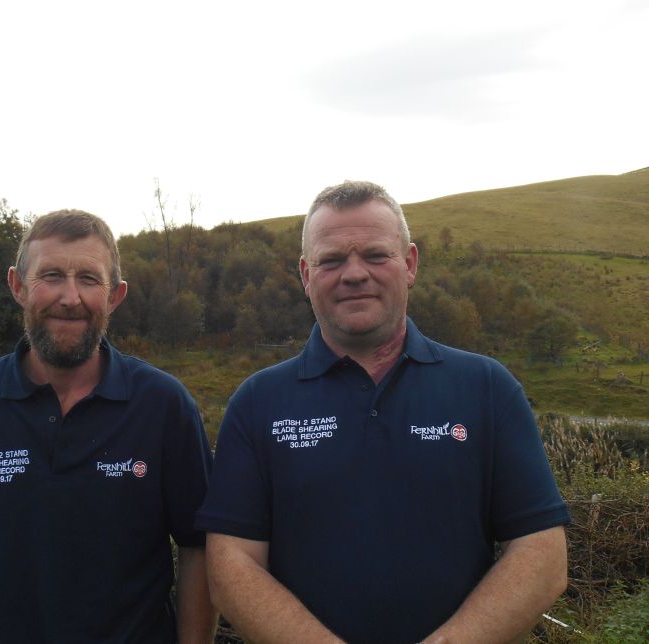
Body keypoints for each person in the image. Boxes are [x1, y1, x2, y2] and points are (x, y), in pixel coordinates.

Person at [195, 181, 570, 644]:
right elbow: (231, 564)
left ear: (409, 264)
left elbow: (542, 552)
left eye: (375, 255)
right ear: (305, 274)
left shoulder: (487, 388)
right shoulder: (258, 402)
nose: (354, 274)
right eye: (331, 260)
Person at [0, 210, 216, 643]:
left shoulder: (165, 406)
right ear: (17, 286)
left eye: (89, 279)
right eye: (51, 275)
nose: (71, 297)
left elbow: (199, 549)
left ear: (115, 296)